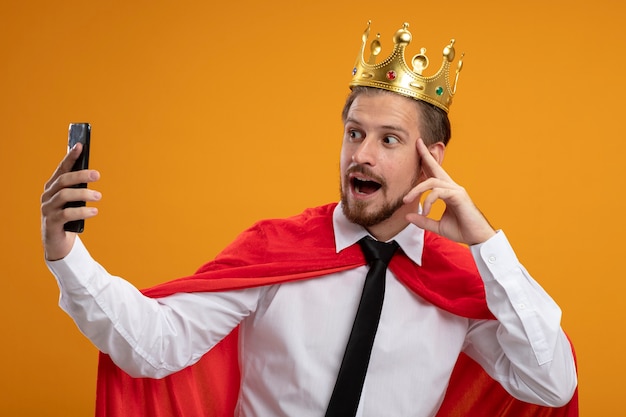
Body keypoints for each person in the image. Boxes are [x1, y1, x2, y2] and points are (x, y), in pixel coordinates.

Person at [41, 22, 578, 417]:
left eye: (388, 139)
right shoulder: (275, 250)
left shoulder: (456, 286)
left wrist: (486, 245)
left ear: (430, 157)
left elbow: (551, 383)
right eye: (353, 133)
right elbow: (153, 347)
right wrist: (65, 253)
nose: (361, 155)